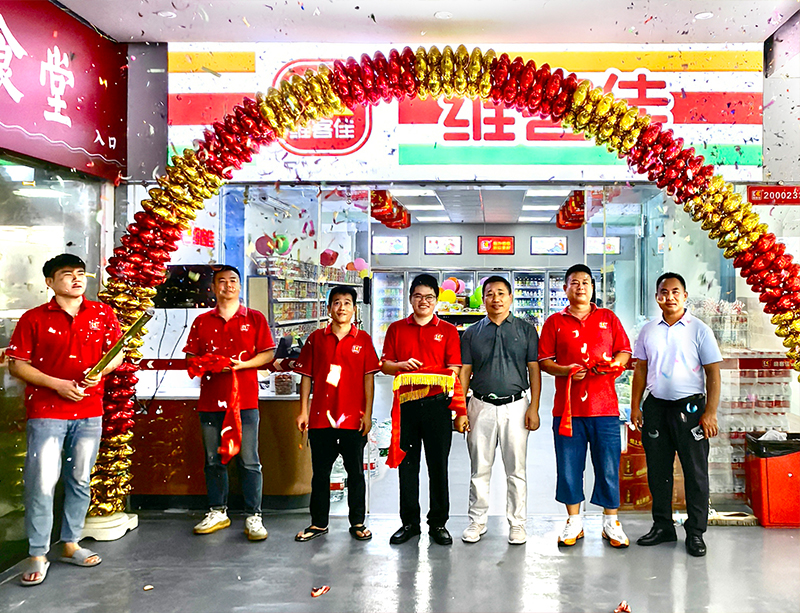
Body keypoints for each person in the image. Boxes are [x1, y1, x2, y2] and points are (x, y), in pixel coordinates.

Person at [7, 254, 123, 586]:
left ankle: (71, 543)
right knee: (42, 483)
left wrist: (102, 370)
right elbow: (17, 364)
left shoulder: (102, 313)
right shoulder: (33, 318)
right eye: (67, 274)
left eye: (81, 273)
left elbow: (117, 353)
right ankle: (38, 553)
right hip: (47, 412)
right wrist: (56, 384)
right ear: (49, 282)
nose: (76, 279)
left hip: (89, 410)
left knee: (80, 479)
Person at [538, 264, 632, 548]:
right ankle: (573, 521)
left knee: (608, 465)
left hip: (605, 408)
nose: (580, 287)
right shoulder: (555, 322)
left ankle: (611, 522)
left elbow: (624, 351)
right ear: (565, 288)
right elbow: (544, 361)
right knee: (569, 466)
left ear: (593, 288)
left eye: (586, 282)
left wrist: (614, 366)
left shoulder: (608, 318)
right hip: (567, 411)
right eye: (575, 282)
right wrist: (565, 370)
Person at [630, 272, 721, 557]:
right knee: (658, 472)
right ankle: (663, 526)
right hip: (656, 408)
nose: (669, 297)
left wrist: (710, 412)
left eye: (675, 292)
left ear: (684, 296)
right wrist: (635, 405)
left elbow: (713, 373)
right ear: (657, 296)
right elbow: (640, 369)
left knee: (695, 473)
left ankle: (695, 532)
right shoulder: (648, 330)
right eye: (664, 292)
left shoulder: (699, 330)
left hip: (691, 410)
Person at [183, 265, 275, 540]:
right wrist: (210, 364)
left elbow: (268, 354)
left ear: (239, 285)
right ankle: (217, 511)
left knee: (249, 460)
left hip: (245, 402)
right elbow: (191, 358)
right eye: (221, 281)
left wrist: (243, 365)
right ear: (213, 287)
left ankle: (254, 515)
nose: (228, 285)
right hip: (211, 402)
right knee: (213, 460)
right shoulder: (202, 321)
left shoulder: (255, 318)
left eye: (233, 280)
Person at [381, 273, 466, 546]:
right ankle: (409, 523)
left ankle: (438, 523)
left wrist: (430, 376)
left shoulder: (448, 331)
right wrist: (401, 366)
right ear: (410, 299)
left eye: (429, 297)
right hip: (406, 407)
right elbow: (385, 365)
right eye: (418, 296)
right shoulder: (396, 329)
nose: (423, 301)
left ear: (436, 300)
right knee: (407, 466)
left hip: (437, 406)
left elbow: (454, 368)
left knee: (438, 466)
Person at [293, 286, 380, 542]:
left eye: (347, 303)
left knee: (356, 473)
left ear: (354, 308)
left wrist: (368, 414)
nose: (342, 307)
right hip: (321, 419)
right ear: (329, 307)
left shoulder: (363, 340)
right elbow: (306, 377)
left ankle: (358, 522)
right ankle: (318, 523)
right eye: (337, 302)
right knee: (320, 474)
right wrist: (303, 411)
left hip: (353, 419)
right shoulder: (316, 339)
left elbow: (369, 380)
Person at [459, 276, 541, 545]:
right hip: (479, 406)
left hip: (516, 406)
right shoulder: (471, 333)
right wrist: (460, 410)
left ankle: (517, 524)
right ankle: (477, 521)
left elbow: (534, 370)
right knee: (479, 468)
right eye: (490, 294)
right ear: (483, 299)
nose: (496, 299)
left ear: (510, 297)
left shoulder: (526, 330)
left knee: (516, 470)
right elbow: (465, 372)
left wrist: (534, 407)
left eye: (501, 293)